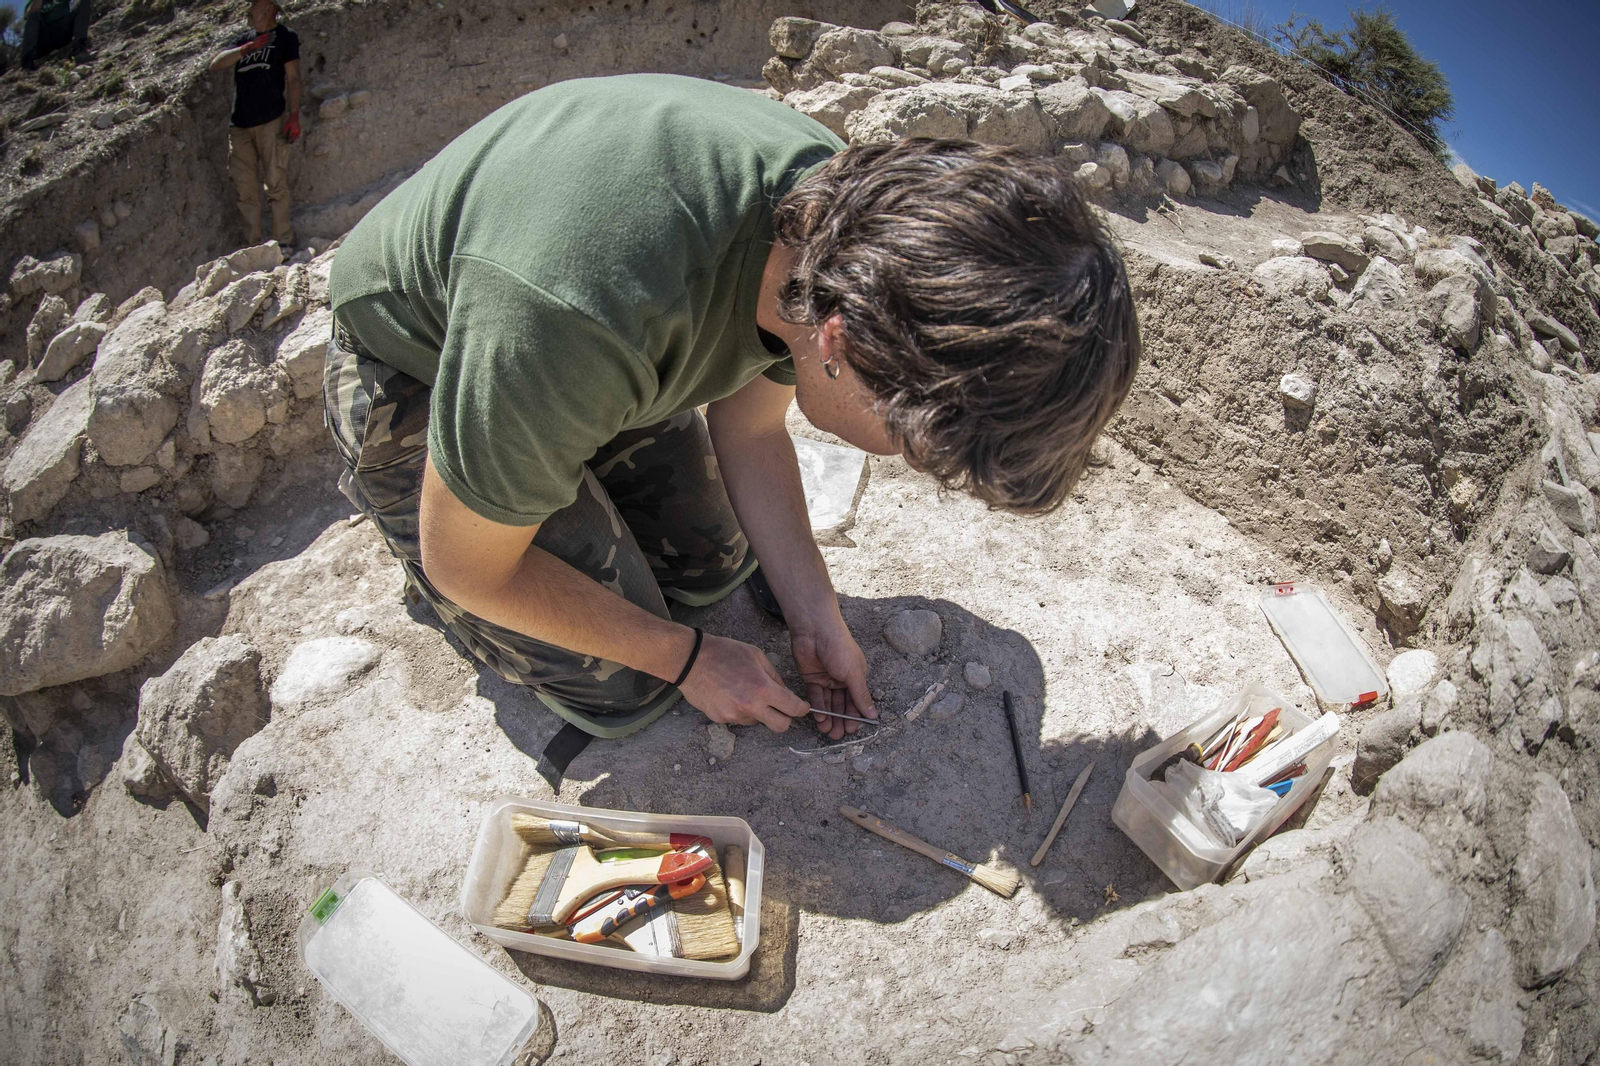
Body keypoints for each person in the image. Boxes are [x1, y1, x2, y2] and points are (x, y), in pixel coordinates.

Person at [325, 74, 1139, 773]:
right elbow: (469, 567)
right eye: (909, 443)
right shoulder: (581, 312)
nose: (902, 458)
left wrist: (817, 615)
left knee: (713, 567)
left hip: (563, 350)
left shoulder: (846, 244)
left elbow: (750, 431)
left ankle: (551, 460)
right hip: (415, 366)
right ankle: (432, 487)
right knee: (625, 683)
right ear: (838, 344)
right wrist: (686, 661)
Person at [208, 0, 301, 250]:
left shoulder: (285, 37)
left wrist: (294, 116)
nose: (250, 10)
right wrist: (246, 49)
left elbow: (293, 78)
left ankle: (284, 242)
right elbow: (216, 63)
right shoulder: (244, 40)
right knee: (244, 189)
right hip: (239, 126)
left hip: (271, 120)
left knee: (275, 183)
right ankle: (253, 247)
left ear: (269, 7)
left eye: (255, 5)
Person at [19, 0, 91, 70]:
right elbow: (29, 14)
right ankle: (27, 62)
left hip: (64, 32)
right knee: (33, 16)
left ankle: (80, 46)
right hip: (44, 39)